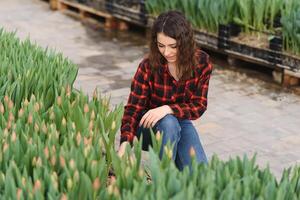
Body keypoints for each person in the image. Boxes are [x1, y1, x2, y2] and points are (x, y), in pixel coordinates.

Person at [118, 10, 213, 171]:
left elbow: (199, 105)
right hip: (147, 125)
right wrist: (125, 142)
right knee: (169, 123)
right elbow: (133, 109)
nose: (166, 52)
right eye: (161, 46)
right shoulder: (148, 66)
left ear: (185, 42)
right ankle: (161, 176)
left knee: (200, 174)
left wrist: (167, 109)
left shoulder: (201, 63)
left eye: (173, 46)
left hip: (180, 122)